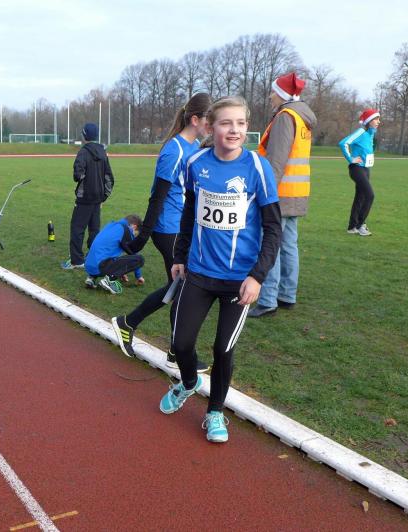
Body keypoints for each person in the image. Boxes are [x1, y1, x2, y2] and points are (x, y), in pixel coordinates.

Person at [158, 96, 281, 443]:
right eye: (226, 123)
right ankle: (188, 383)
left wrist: (257, 276)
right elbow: (189, 212)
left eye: (241, 123)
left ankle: (214, 412)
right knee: (181, 344)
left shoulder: (258, 167)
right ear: (211, 127)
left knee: (223, 349)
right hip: (199, 272)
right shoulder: (195, 163)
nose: (234, 130)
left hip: (239, 281)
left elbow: (274, 228)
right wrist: (180, 255)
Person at [110, 93, 212, 372]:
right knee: (183, 286)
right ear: (195, 119)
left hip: (182, 226)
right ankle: (150, 336)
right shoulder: (174, 150)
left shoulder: (193, 147)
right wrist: (143, 236)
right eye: (209, 119)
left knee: (178, 286)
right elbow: (158, 197)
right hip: (168, 228)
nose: (213, 124)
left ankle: (162, 343)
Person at [248, 72, 317, 318]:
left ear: (283, 95)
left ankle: (267, 300)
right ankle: (287, 294)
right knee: (288, 244)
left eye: (273, 92)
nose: (270, 96)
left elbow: (276, 160)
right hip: (297, 193)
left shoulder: (285, 117)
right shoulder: (302, 118)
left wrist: (266, 193)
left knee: (271, 245)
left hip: (280, 193)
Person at [61, 123, 114, 269]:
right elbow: (109, 178)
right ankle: (93, 256)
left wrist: (85, 182)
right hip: (97, 199)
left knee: (77, 229)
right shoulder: (103, 152)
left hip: (84, 198)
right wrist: (103, 196)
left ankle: (77, 261)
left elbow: (78, 175)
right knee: (94, 229)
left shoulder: (83, 152)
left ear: (84, 135)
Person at [338, 109, 381, 236]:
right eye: (376, 119)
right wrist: (350, 159)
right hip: (357, 169)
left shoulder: (371, 134)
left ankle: (352, 227)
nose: (379, 121)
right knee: (370, 195)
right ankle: (360, 225)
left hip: (366, 169)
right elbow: (343, 143)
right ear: (369, 121)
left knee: (360, 197)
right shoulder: (361, 131)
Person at [83, 214, 145, 294]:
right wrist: (139, 276)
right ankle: (109, 280)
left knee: (103, 253)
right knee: (140, 259)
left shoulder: (111, 225)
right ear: (134, 226)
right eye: (135, 233)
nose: (134, 235)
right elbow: (133, 253)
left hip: (89, 265)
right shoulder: (126, 230)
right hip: (100, 266)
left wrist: (120, 271)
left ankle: (91, 278)